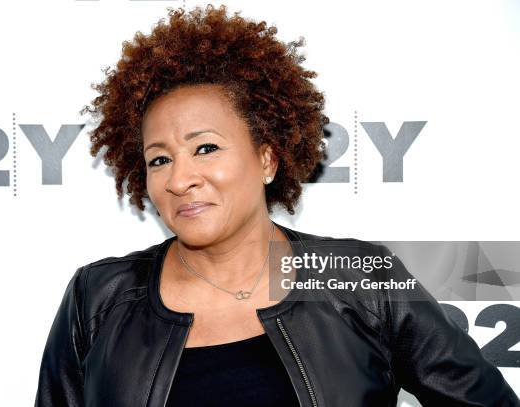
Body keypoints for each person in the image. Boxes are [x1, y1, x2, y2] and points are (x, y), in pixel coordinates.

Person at [35, 4, 519, 406]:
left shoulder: (359, 279)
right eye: (159, 159)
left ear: (267, 158)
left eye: (206, 148)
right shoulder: (97, 297)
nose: (180, 179)